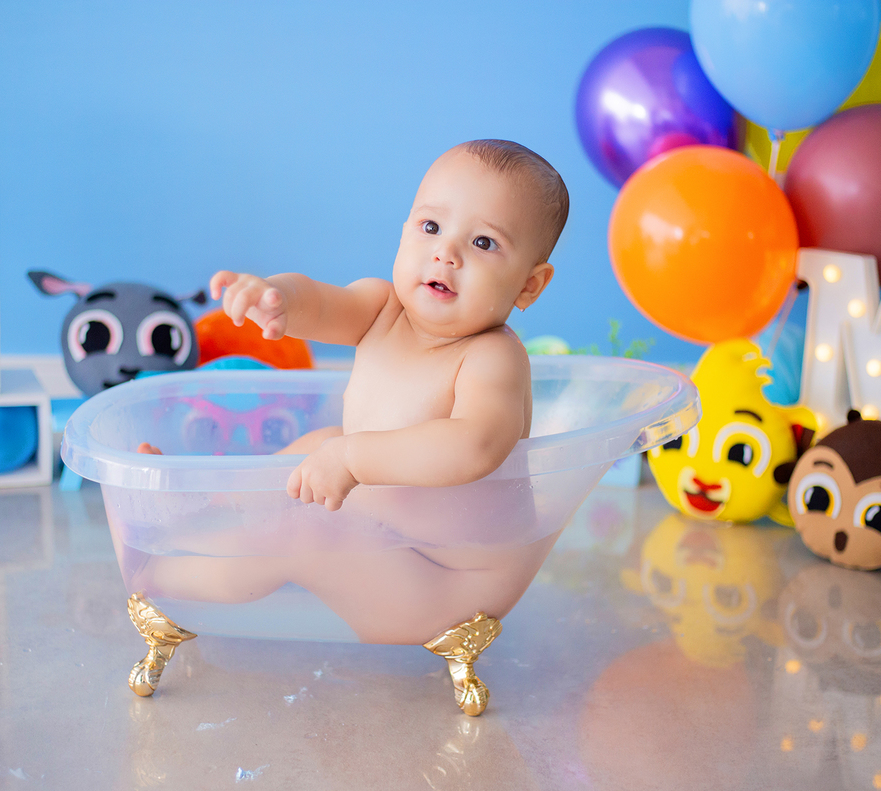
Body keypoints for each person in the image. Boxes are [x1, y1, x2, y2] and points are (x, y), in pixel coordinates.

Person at [133, 139, 570, 643]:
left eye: (484, 243)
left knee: (301, 524)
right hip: (385, 538)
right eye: (431, 227)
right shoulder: (383, 308)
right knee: (318, 443)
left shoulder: (492, 357)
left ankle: (160, 582)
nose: (445, 253)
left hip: (444, 587)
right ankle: (201, 506)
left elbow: (476, 443)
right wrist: (276, 298)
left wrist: (354, 458)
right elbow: (321, 303)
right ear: (405, 231)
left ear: (528, 287)